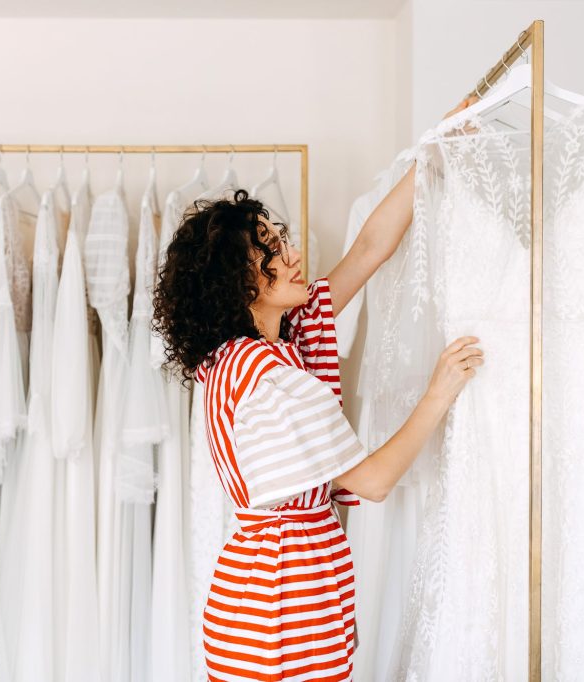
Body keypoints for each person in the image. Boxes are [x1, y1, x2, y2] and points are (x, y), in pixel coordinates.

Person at [151, 98, 481, 681]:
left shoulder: (245, 352)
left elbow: (370, 248)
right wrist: (439, 390)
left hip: (268, 591)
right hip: (285, 604)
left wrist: (437, 147)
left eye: (283, 239)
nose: (294, 253)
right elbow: (373, 483)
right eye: (273, 251)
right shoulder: (270, 375)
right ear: (240, 282)